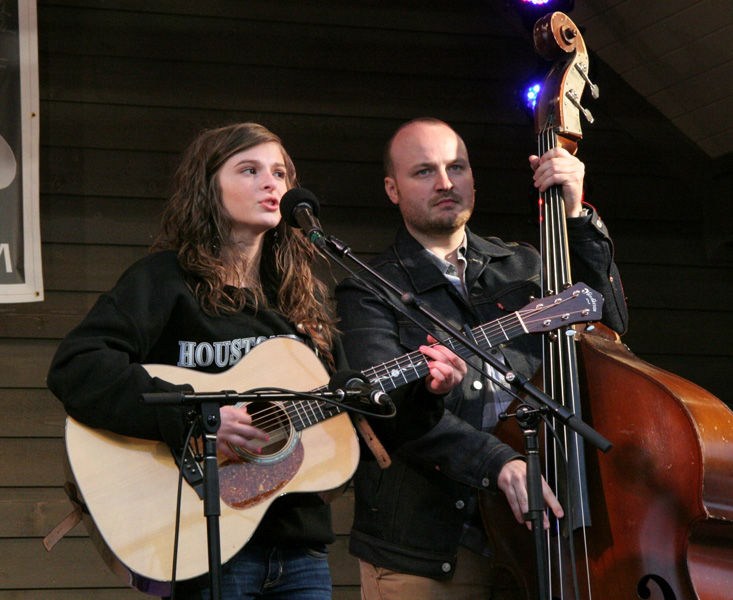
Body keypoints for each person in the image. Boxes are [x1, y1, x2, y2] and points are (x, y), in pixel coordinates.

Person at [47, 122, 466, 600]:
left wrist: (427, 393)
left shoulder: (298, 303)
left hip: (299, 552)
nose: (271, 183)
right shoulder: (164, 282)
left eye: (280, 173)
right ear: (208, 188)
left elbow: (353, 419)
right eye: (249, 170)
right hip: (206, 544)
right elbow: (77, 366)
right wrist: (199, 418)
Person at [335, 117, 629, 600]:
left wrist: (576, 217)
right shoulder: (368, 288)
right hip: (431, 546)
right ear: (392, 189)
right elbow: (388, 412)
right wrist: (499, 462)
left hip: (544, 528)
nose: (445, 183)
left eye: (457, 167)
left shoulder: (526, 265)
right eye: (424, 171)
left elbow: (608, 326)